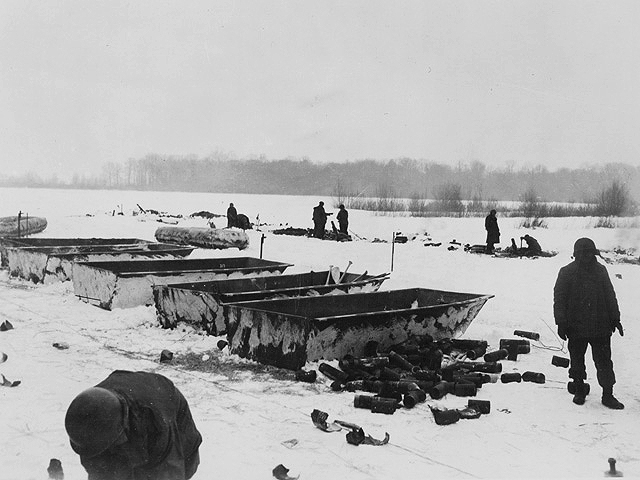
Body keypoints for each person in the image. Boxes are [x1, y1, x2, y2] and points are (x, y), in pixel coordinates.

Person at [65, 370, 202, 479]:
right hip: (129, 400)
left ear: (122, 430)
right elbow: (98, 470)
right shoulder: (90, 418)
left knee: (182, 466)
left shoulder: (157, 422)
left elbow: (170, 471)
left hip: (166, 405)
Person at [553, 238, 624, 409]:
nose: (586, 256)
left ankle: (608, 395)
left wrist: (615, 319)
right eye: (583, 253)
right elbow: (560, 299)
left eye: (589, 253)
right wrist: (561, 323)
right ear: (576, 255)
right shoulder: (566, 272)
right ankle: (579, 389)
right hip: (575, 327)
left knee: (604, 362)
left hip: (601, 326)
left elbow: (610, 295)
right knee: (577, 360)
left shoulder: (600, 271)